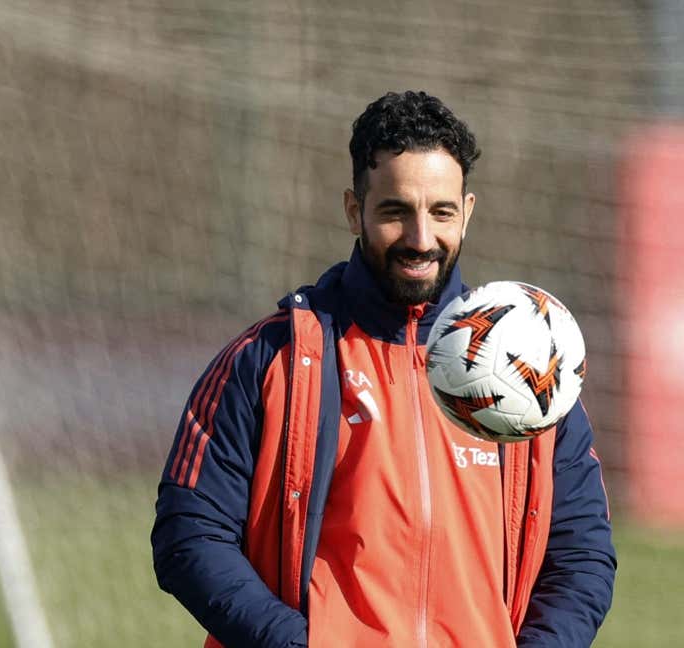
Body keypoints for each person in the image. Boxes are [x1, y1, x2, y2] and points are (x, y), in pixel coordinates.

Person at [151, 90, 616, 648]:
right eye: (396, 211)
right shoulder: (270, 359)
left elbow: (582, 553)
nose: (421, 239)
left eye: (441, 212)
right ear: (354, 209)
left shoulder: (531, 369)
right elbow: (190, 535)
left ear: (467, 211)